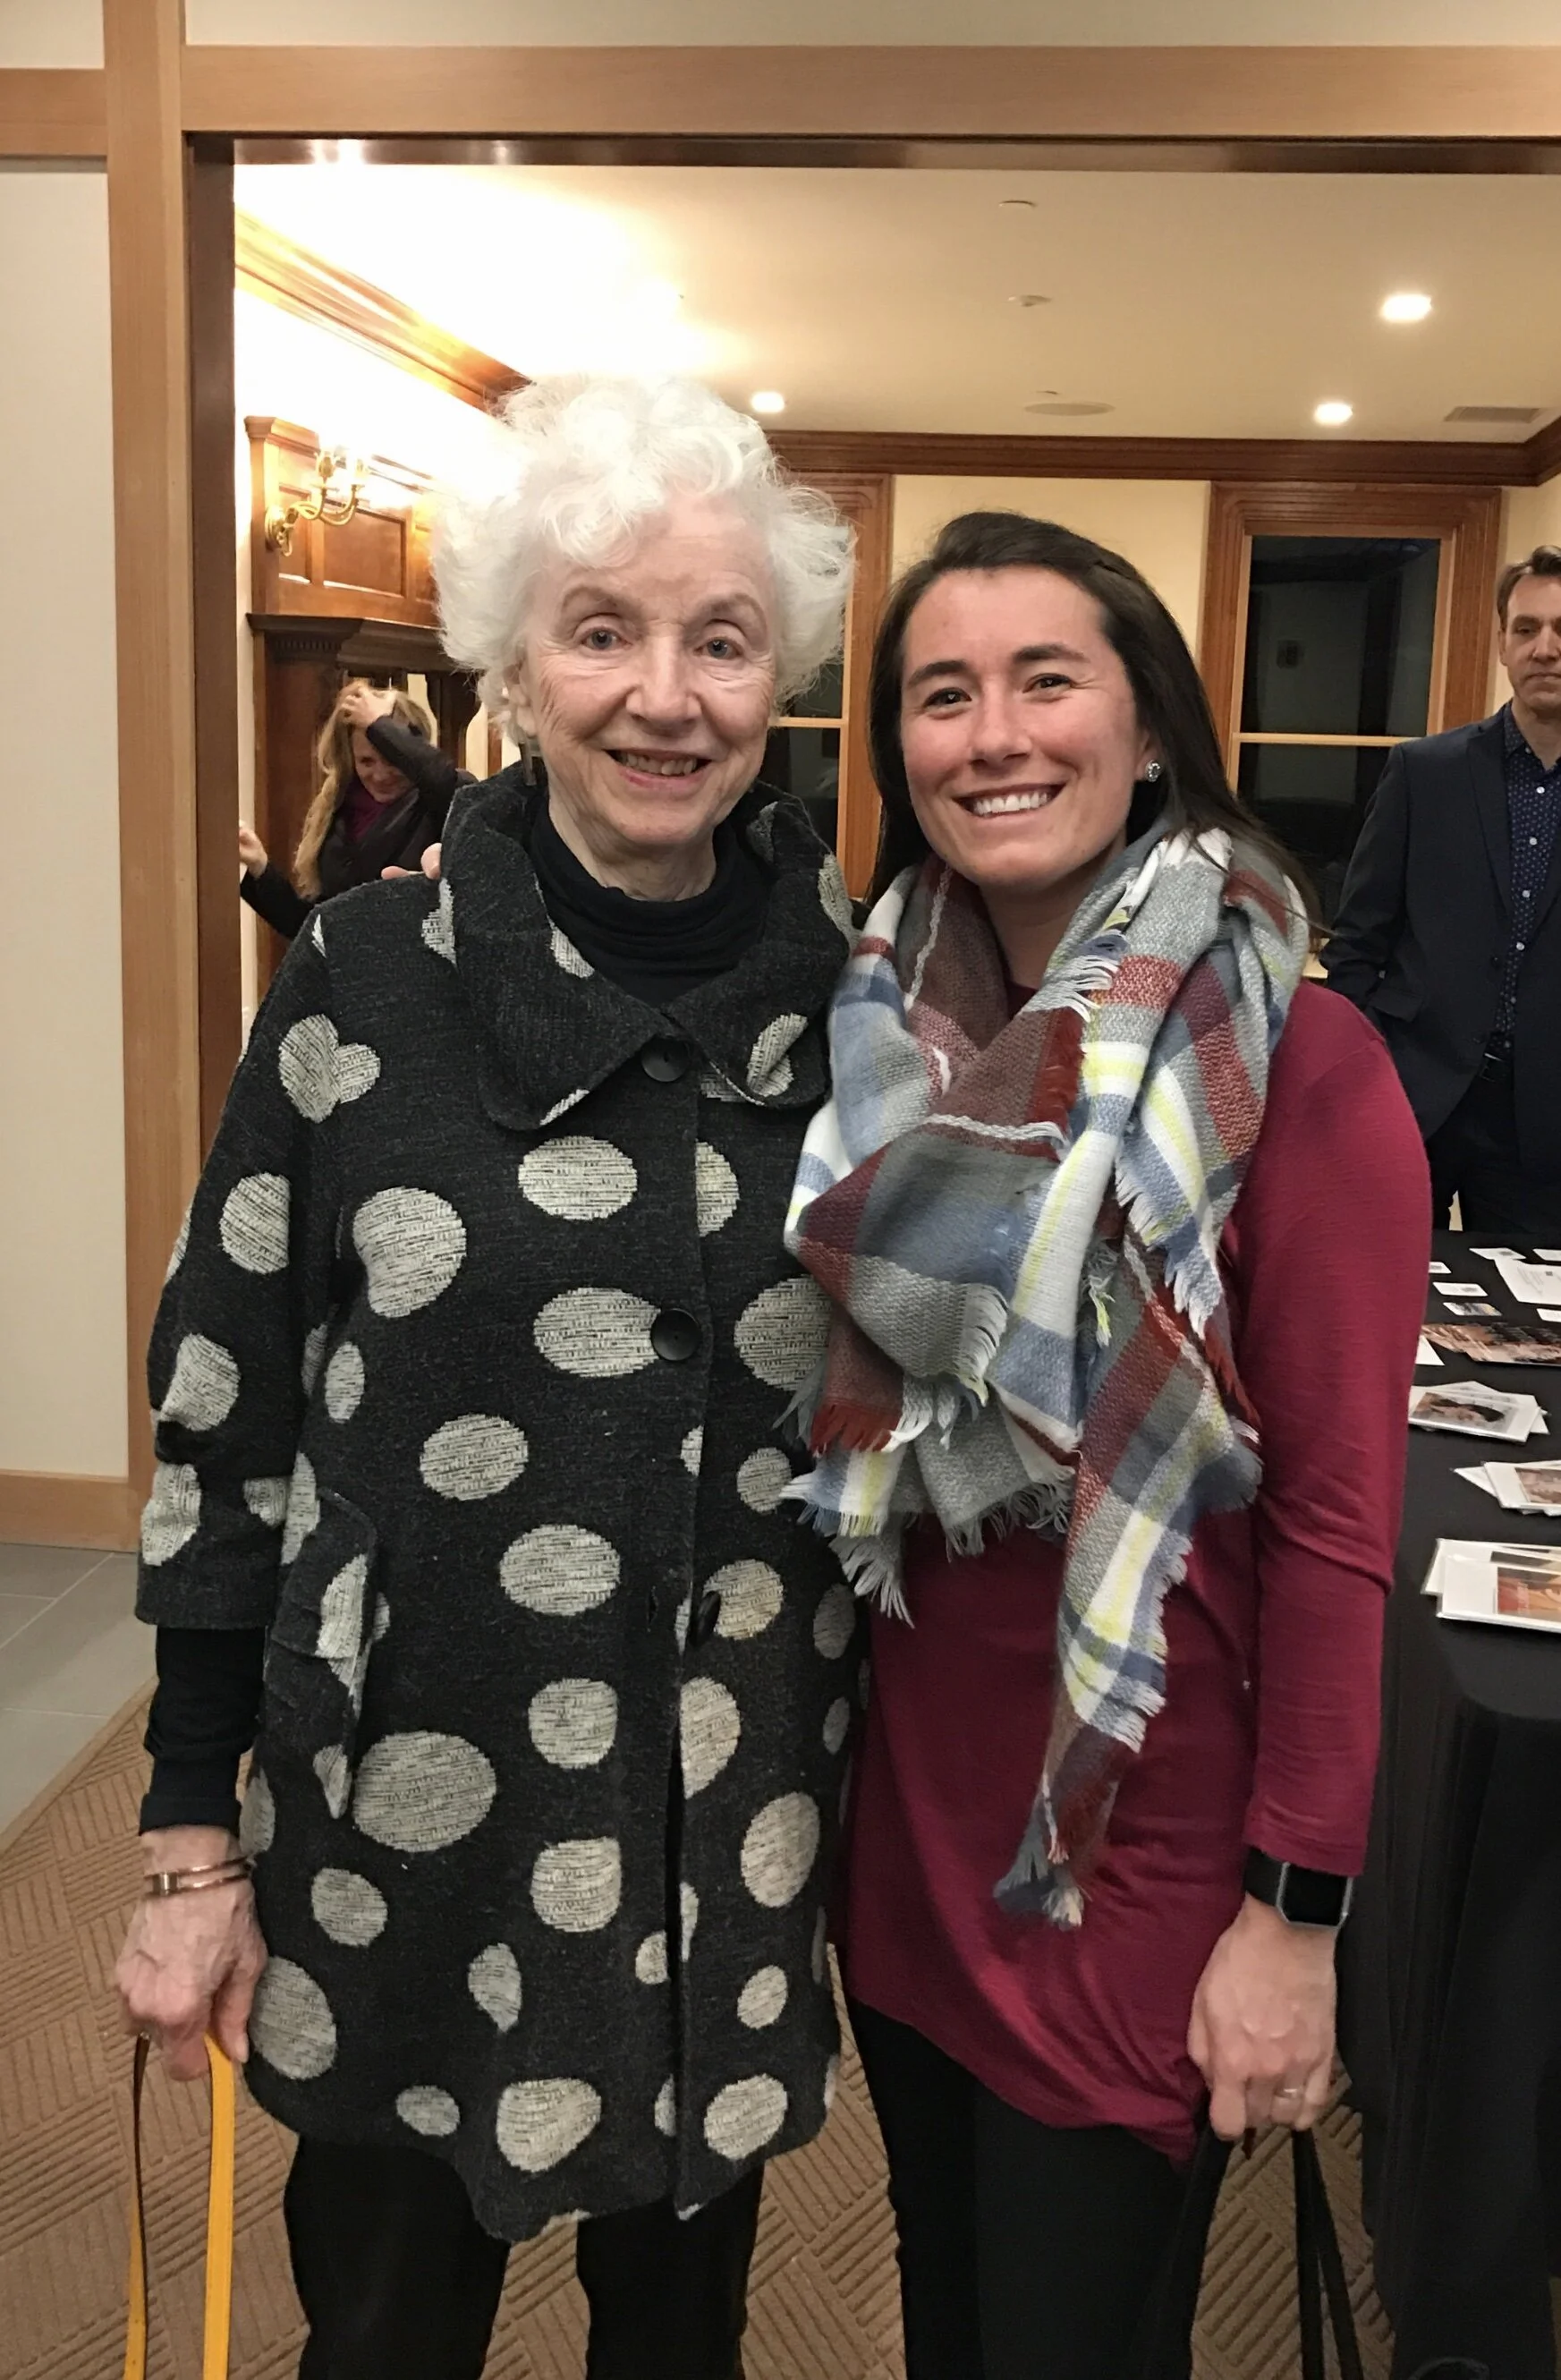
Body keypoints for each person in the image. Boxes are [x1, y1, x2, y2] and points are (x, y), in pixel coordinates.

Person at [115, 374, 859, 2380]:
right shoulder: (366, 973)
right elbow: (227, 1407)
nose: (664, 694)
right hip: (409, 1809)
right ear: (515, 659)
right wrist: (193, 1829)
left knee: (677, 2341)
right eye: (601, 629)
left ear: (773, 670)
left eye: (718, 639)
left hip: (727, 1819)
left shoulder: (860, 1005)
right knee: (379, 2332)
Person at [782, 512, 1430, 2380]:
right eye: (940, 693)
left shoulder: (1304, 1066)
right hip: (904, 1840)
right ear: (894, 750)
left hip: (1132, 1852)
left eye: (1042, 680)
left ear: (1145, 727)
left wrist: (1292, 1923)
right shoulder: (860, 1033)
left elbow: (1328, 1530)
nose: (992, 733)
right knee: (949, 2320)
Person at [1322, 545, 1561, 1241]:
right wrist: (1355, 1072)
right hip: (1413, 1092)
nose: (1545, 648)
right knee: (1383, 1298)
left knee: (1531, 1329)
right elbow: (1359, 940)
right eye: (1525, 629)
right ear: (1499, 644)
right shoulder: (1424, 773)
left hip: (1542, 1123)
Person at [240, 681, 472, 941]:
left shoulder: (440, 801)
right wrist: (260, 868)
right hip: (350, 979)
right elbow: (313, 929)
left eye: (392, 758)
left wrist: (378, 724)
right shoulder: (337, 813)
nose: (380, 775)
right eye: (366, 761)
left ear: (410, 749)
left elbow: (444, 778)